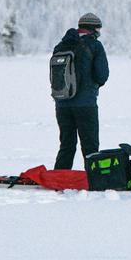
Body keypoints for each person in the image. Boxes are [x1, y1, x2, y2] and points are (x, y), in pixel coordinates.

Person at [52, 13, 109, 170]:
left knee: (66, 144)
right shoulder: (95, 46)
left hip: (62, 103)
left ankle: (60, 178)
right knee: (90, 145)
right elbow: (102, 75)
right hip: (86, 104)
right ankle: (94, 179)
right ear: (93, 29)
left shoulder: (61, 45)